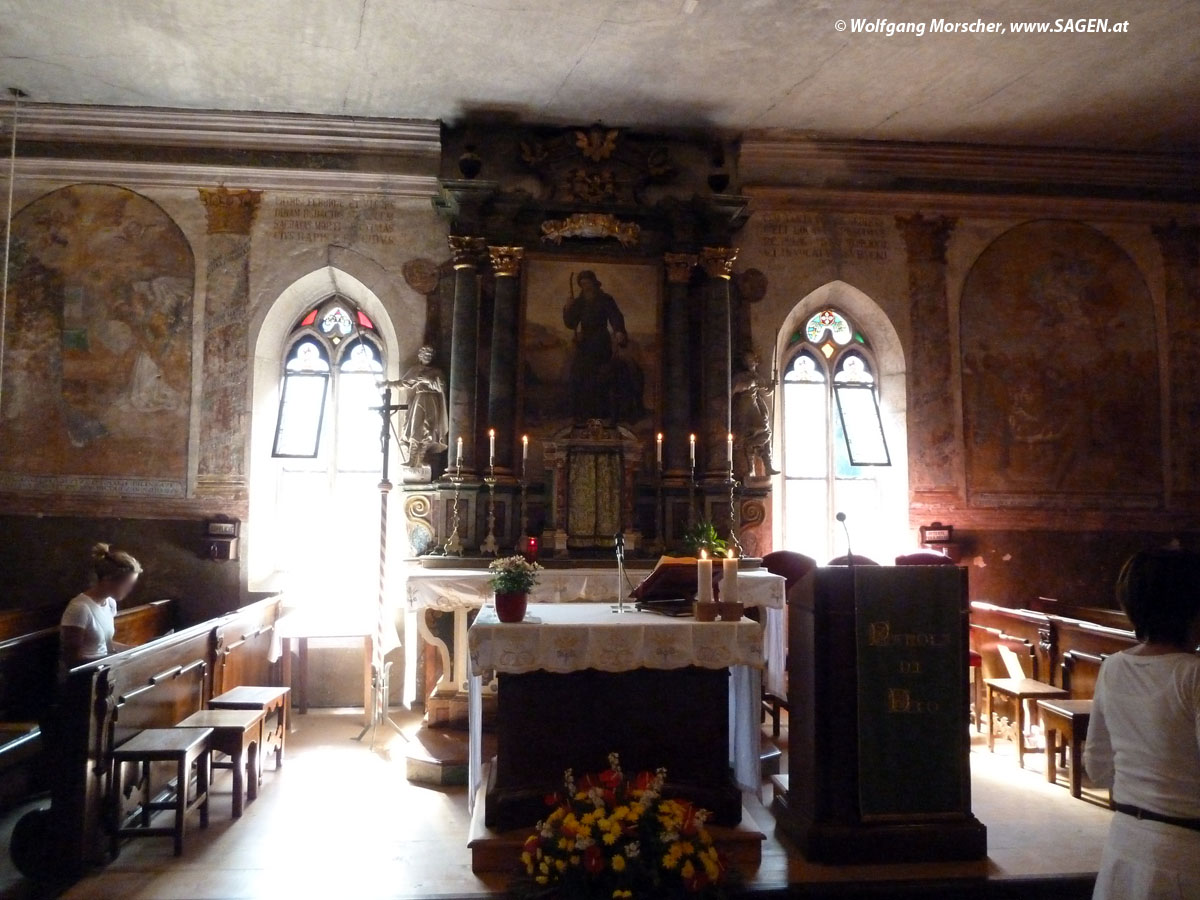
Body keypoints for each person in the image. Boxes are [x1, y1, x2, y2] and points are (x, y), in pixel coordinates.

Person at [1083, 548, 1200, 900]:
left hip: (1124, 844)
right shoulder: (1192, 674)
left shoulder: (1113, 667)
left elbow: (1097, 768)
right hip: (1184, 854)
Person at [563, 270, 643, 424]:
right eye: (582, 284)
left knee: (601, 377)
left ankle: (602, 413)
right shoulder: (579, 302)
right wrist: (568, 308)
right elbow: (571, 323)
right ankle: (582, 414)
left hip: (600, 342)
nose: (585, 286)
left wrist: (619, 331)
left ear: (594, 283)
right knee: (579, 374)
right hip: (584, 343)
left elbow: (615, 316)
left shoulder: (605, 299)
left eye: (587, 283)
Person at [59, 543, 143, 674]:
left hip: (103, 671)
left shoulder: (110, 603)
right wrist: (111, 660)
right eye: (126, 584)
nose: (129, 590)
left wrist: (137, 650)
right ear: (107, 580)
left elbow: (106, 645)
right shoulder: (79, 608)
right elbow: (72, 660)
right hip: (83, 677)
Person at [399, 344, 448, 470]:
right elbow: (403, 383)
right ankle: (411, 460)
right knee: (415, 429)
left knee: (428, 430)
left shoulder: (437, 372)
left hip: (432, 401)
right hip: (419, 399)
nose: (428, 357)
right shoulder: (415, 370)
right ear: (420, 356)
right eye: (425, 354)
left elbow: (441, 387)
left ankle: (421, 459)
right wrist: (386, 384)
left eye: (430, 355)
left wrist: (427, 380)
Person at [731, 350, 779, 477]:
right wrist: (748, 385)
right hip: (745, 406)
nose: (749, 362)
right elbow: (732, 389)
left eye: (751, 359)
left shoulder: (757, 376)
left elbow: (765, 390)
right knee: (758, 431)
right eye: (747, 360)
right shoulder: (741, 376)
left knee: (765, 431)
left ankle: (767, 465)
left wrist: (773, 386)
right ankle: (751, 468)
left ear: (756, 361)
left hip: (755, 404)